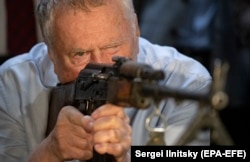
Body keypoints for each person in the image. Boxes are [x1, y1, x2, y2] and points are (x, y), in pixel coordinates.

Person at [0, 0, 211, 162]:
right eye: (80, 54)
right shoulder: (13, 83)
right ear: (51, 52)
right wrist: (50, 151)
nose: (102, 65)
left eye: (113, 48)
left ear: (136, 29)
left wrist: (122, 158)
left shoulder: (186, 83)